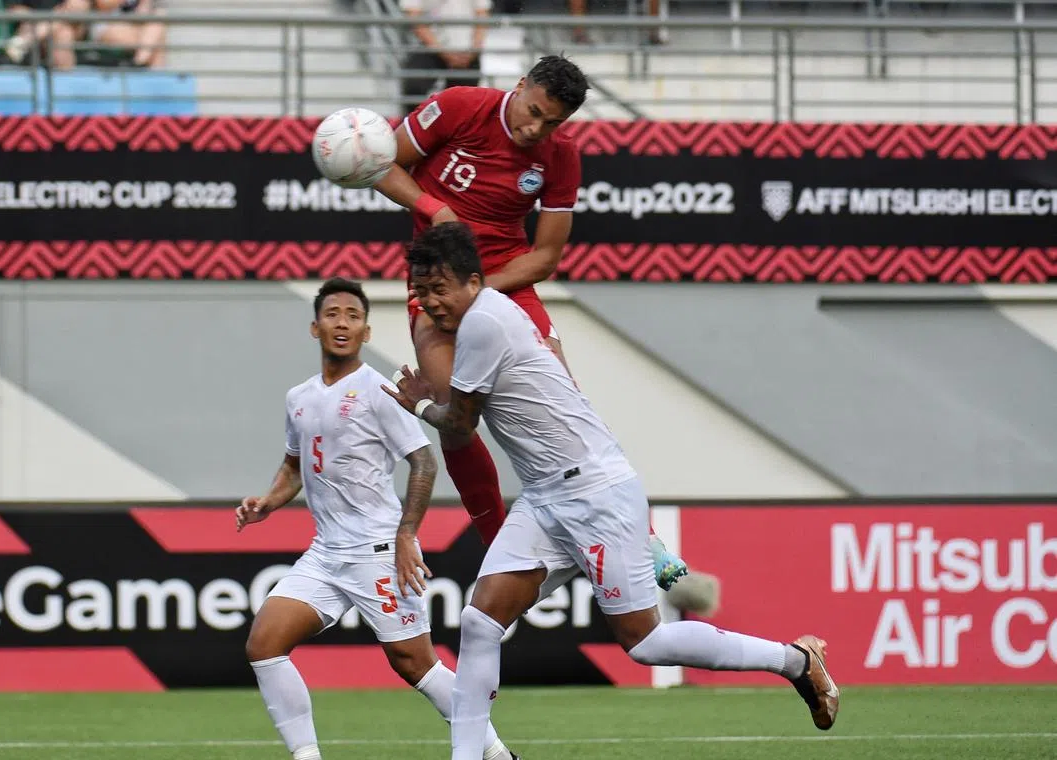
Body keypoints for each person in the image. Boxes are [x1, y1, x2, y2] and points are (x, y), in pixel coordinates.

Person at [384, 224, 841, 760]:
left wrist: (416, 403)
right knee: (480, 621)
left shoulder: (483, 322)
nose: (432, 303)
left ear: (475, 281)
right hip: (546, 496)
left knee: (645, 644)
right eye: (422, 290)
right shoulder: (480, 320)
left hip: (595, 491)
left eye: (441, 288)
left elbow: (460, 424)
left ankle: (794, 661)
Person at [374, 54, 686, 590]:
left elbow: (544, 258)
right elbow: (382, 165)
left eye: (552, 122)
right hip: (435, 285)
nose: (536, 128)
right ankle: (500, 550)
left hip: (503, 282)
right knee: (457, 419)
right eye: (534, 112)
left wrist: (478, 297)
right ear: (518, 87)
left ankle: (644, 536)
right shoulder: (458, 107)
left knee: (567, 405)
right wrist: (433, 206)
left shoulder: (561, 155)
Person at [237, 277, 518, 760]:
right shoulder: (298, 398)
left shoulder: (377, 391)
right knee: (264, 644)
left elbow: (423, 460)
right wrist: (267, 501)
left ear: (366, 331)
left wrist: (406, 534)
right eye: (332, 314)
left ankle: (495, 754)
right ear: (315, 327)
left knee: (415, 665)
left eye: (352, 315)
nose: (342, 322)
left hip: (377, 550)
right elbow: (294, 464)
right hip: (325, 554)